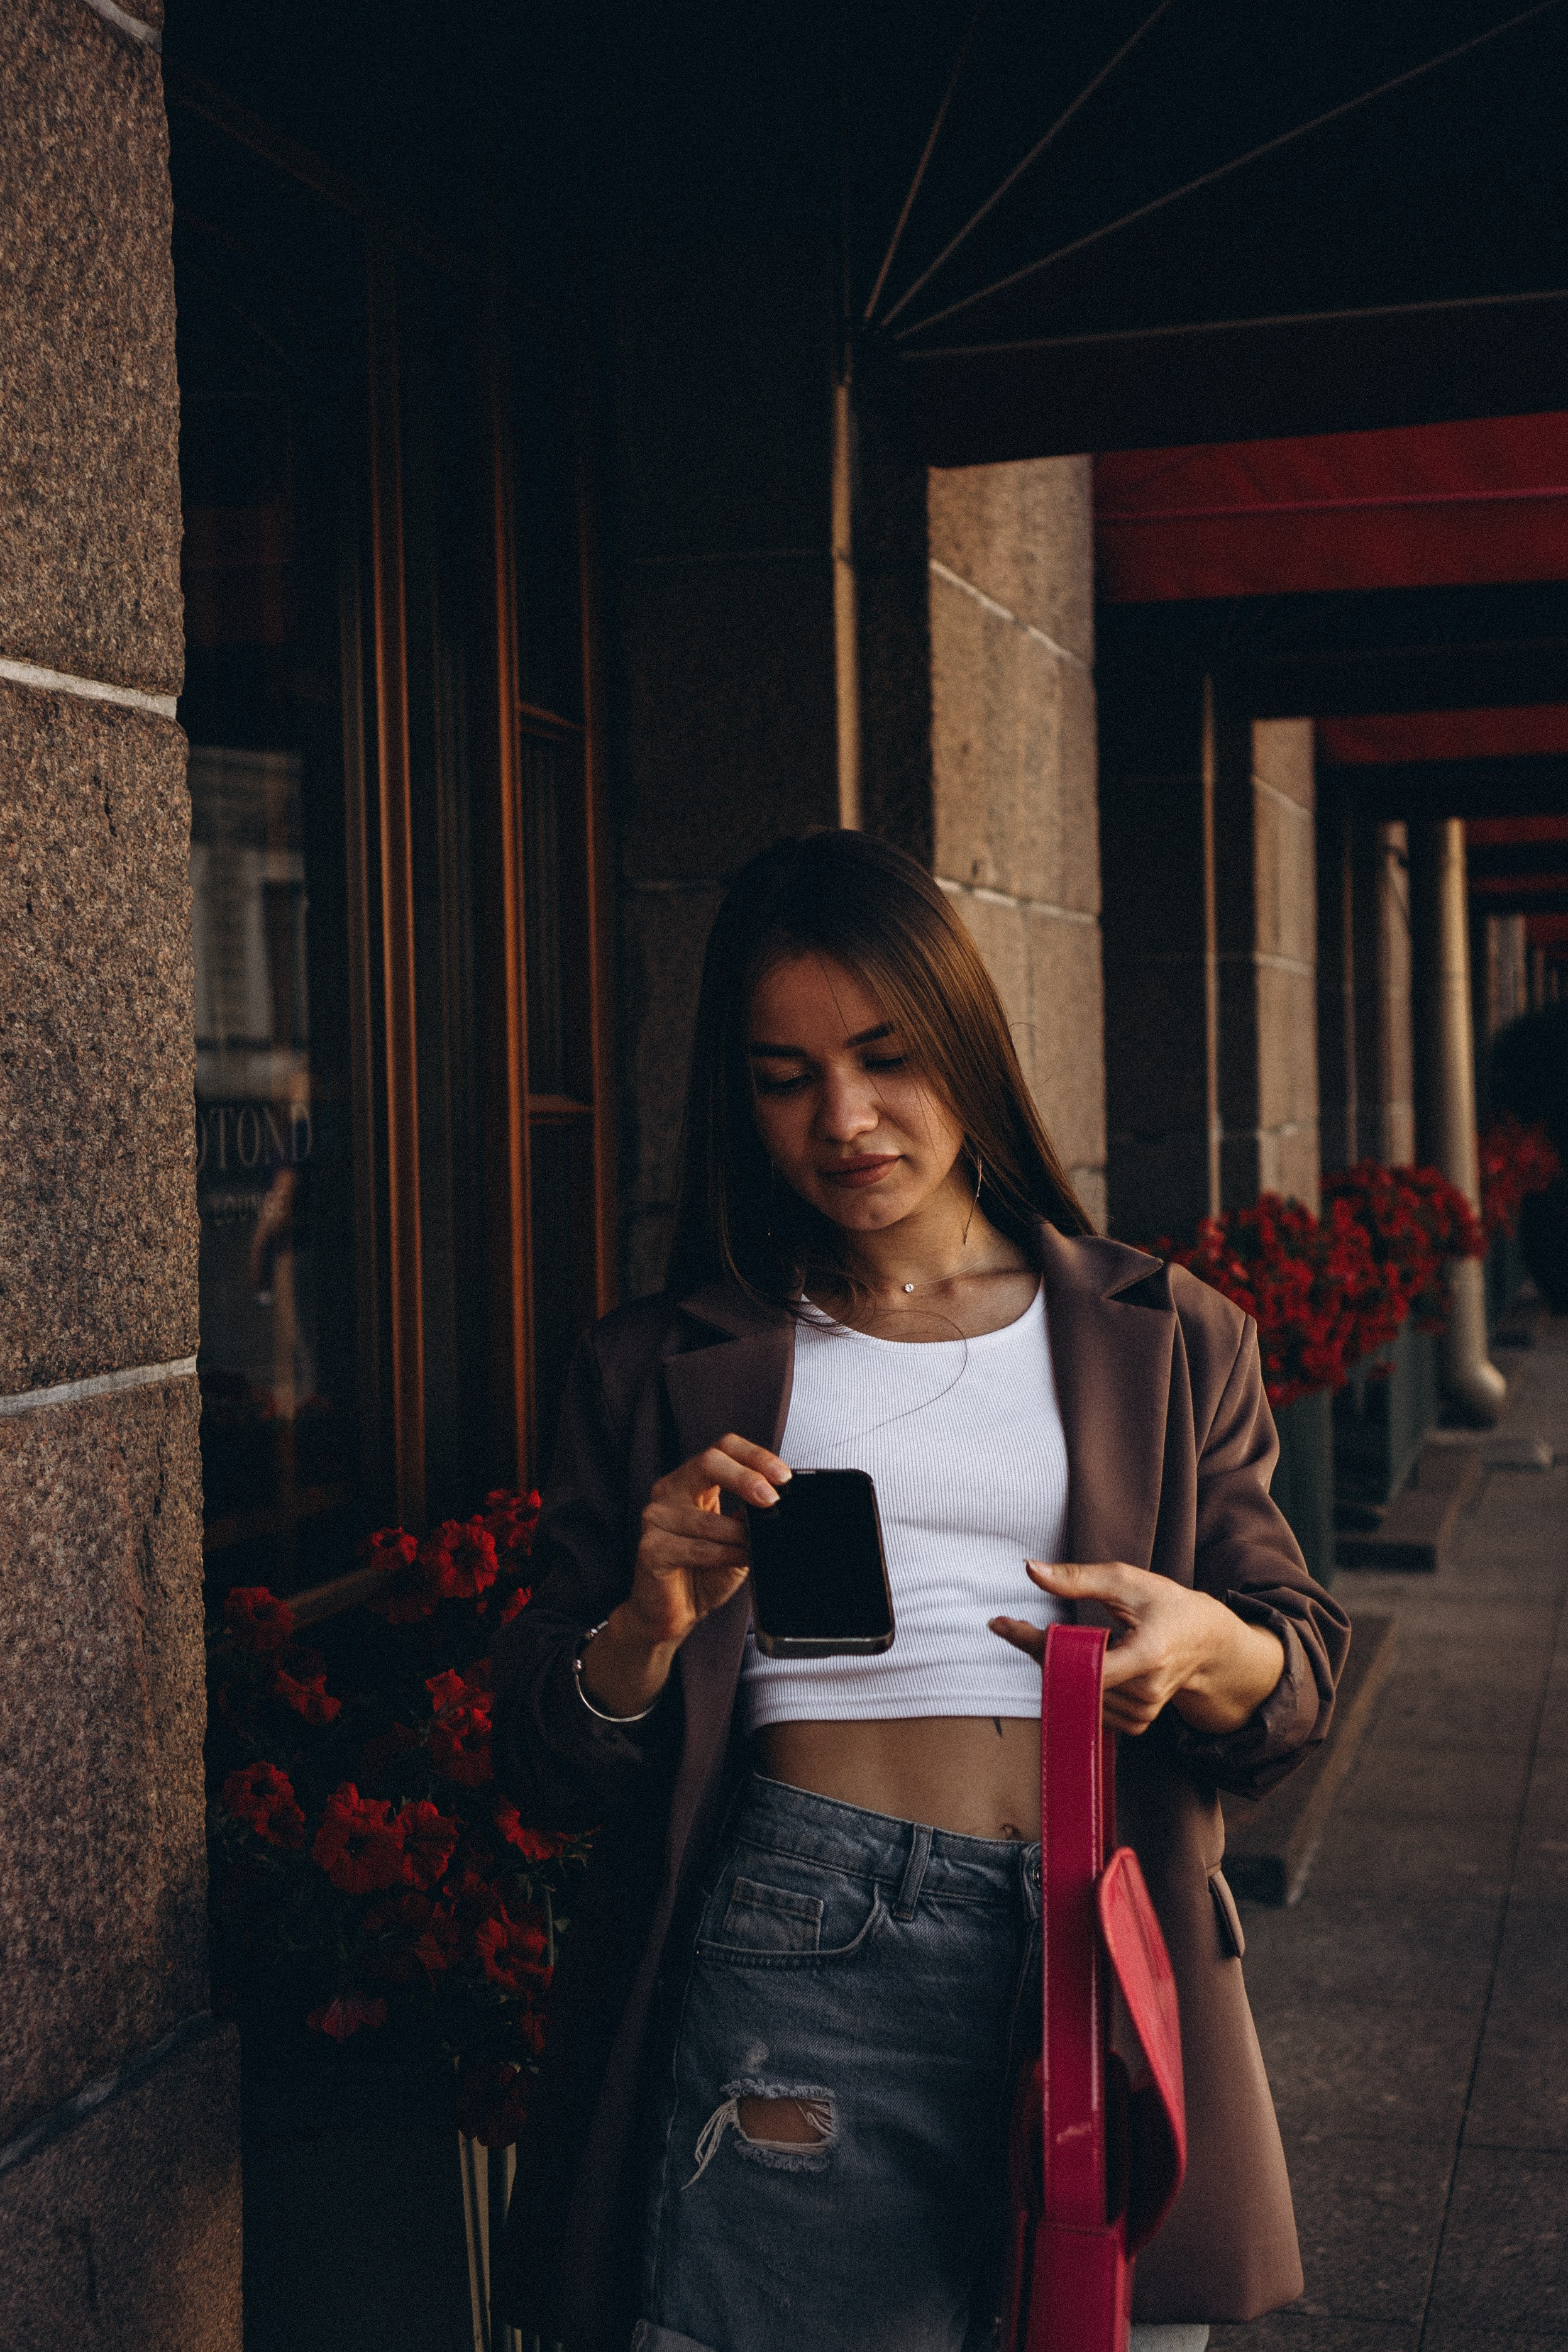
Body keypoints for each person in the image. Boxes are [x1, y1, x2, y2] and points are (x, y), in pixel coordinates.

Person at [493, 830, 1349, 2352]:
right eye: (782, 1074)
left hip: (1101, 1928)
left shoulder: (1164, 1332)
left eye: (886, 1055)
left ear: (966, 1037)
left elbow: (1291, 1677)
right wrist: (642, 1629)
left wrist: (1203, 1642)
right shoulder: (655, 1362)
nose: (844, 1118)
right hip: (801, 1928)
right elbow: (550, 1755)